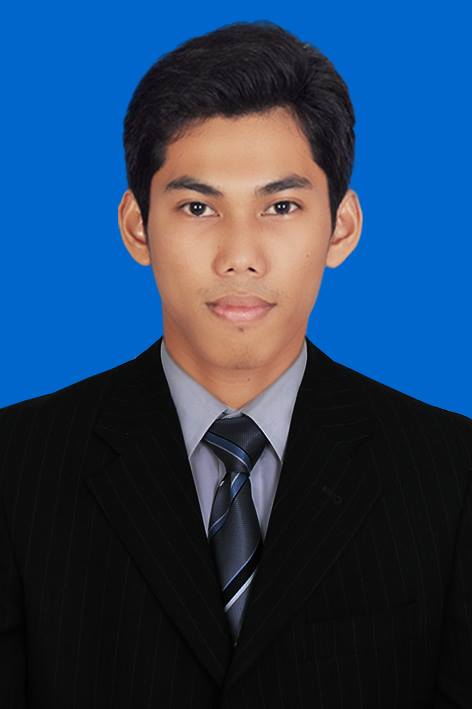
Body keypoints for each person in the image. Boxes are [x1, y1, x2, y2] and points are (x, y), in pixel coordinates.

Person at [1, 20, 471, 709]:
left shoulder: (451, 472)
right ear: (137, 226)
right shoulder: (16, 465)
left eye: (281, 206)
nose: (240, 256)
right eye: (198, 206)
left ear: (340, 227)